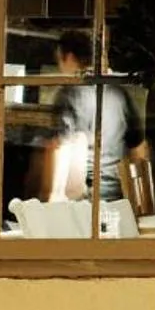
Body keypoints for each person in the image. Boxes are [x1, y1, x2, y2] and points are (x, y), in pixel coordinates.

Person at [51, 29, 132, 206]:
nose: (60, 67)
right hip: (119, 197)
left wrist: (54, 197)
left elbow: (66, 149)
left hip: (85, 200)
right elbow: (139, 149)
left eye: (59, 60)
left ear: (69, 57)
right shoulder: (118, 92)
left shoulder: (69, 94)